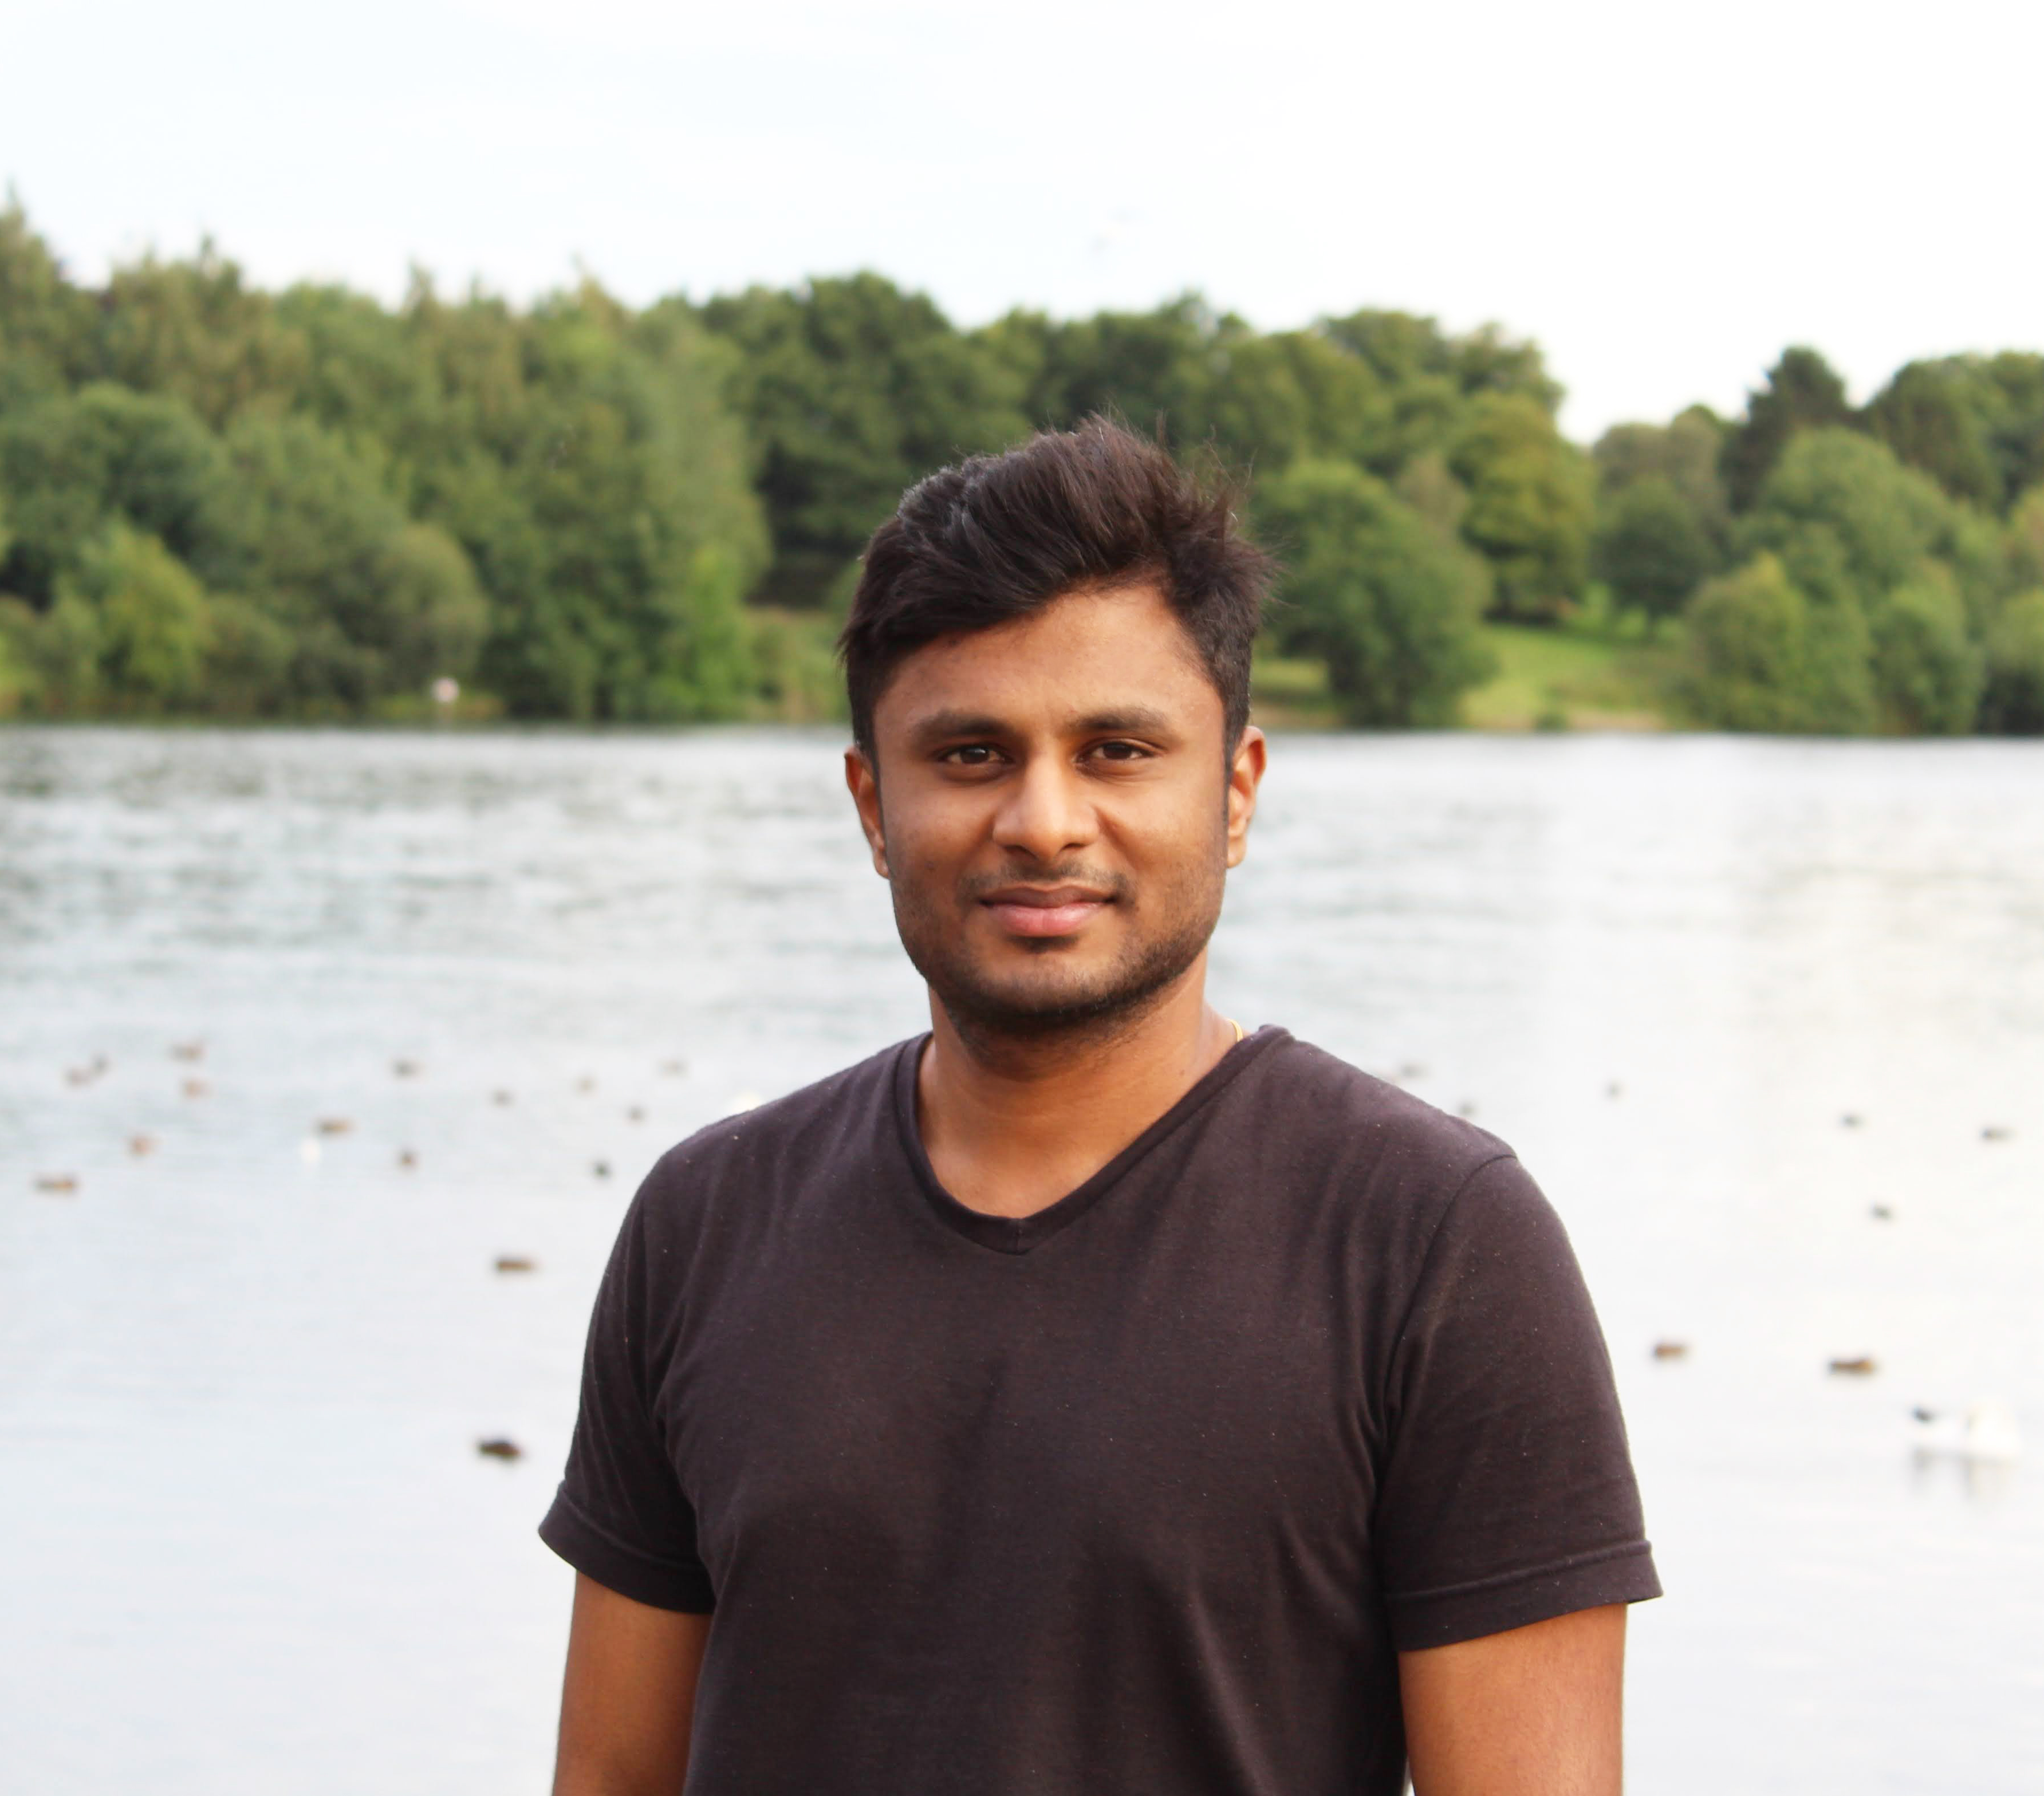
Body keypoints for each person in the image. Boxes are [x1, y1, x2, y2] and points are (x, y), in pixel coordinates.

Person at [542, 419, 1657, 1794]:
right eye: (969, 754)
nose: (1044, 820)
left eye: (1118, 749)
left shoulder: (1433, 1244)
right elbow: (610, 1776)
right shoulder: (706, 1223)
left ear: (1235, 793)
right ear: (871, 805)